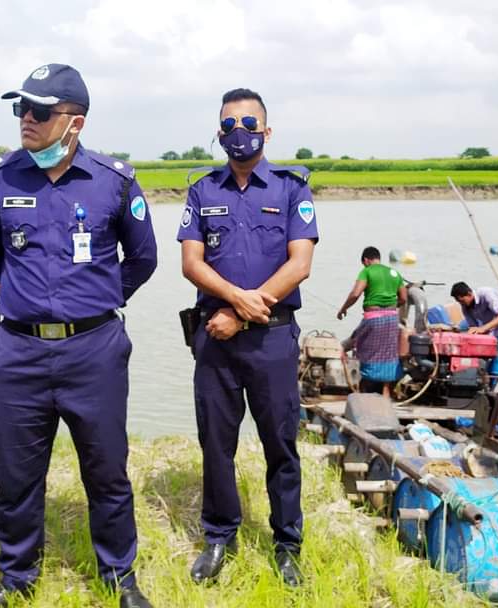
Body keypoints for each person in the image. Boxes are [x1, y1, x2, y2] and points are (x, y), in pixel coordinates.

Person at [0, 64, 157, 608]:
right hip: (18, 350)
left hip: (93, 350)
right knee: (17, 474)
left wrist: (97, 300)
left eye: (39, 111)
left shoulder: (114, 181)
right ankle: (16, 578)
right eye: (19, 109)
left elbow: (142, 259)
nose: (25, 120)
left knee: (106, 470)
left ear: (74, 123)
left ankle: (119, 577)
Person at [178, 88, 317, 587]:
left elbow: (299, 263)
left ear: (266, 130)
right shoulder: (202, 190)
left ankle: (286, 545)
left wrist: (242, 311)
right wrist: (238, 301)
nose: (239, 132)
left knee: (281, 444)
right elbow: (191, 263)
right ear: (219, 132)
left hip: (272, 340)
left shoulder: (291, 187)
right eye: (229, 124)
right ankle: (219, 536)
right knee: (216, 443)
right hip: (215, 340)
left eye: (249, 123)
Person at [337, 247, 407, 396]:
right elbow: (403, 298)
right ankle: (386, 392)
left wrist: (343, 308)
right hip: (392, 319)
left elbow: (355, 294)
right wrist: (391, 308)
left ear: (366, 260)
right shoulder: (394, 273)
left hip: (373, 319)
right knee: (389, 353)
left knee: (365, 349)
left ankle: (363, 389)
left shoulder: (367, 271)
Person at [450, 281, 498, 383]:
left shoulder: (487, 294)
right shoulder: (465, 308)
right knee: (483, 362)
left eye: (462, 301)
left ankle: (491, 391)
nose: (461, 304)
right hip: (488, 330)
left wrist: (483, 329)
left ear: (469, 294)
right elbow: (473, 327)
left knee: (497, 366)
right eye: (459, 302)